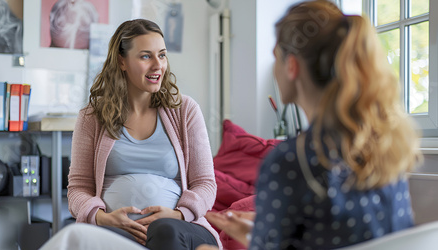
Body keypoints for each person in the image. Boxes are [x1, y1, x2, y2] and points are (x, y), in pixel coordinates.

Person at [198, 0, 422, 249]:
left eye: (275, 58)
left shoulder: (290, 160)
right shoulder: (387, 147)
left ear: (291, 66)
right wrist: (261, 234)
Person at [67, 19, 221, 250]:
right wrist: (102, 217)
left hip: (182, 230)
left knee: (164, 230)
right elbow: (78, 188)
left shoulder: (185, 110)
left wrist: (178, 214)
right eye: (146, 56)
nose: (158, 65)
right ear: (122, 61)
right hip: (113, 233)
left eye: (162, 55)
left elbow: (205, 184)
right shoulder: (92, 116)